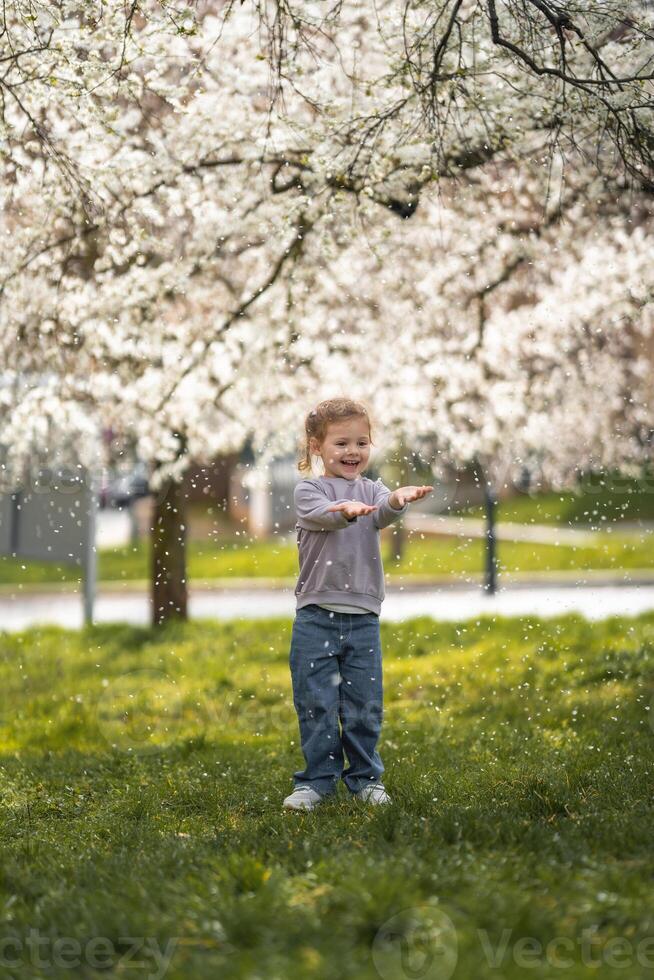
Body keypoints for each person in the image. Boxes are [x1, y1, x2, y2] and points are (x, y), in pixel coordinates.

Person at [283, 397, 433, 811]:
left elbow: (382, 511)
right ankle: (315, 782)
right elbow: (328, 516)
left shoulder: (372, 488)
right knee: (316, 704)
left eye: (361, 443)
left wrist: (398, 500)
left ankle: (366, 779)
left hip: (363, 618)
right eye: (341, 444)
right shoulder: (309, 490)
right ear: (317, 447)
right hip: (316, 617)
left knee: (365, 705)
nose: (353, 452)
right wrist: (345, 509)